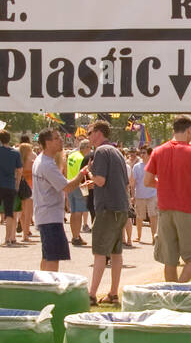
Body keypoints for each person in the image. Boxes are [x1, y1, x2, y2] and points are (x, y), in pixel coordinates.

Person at [144, 117, 191, 282]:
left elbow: (147, 181)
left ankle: (171, 294)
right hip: (189, 209)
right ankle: (179, 287)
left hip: (165, 209)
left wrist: (164, 184)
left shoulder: (158, 151)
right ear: (189, 130)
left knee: (170, 259)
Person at [85, 120, 130, 305]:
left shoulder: (101, 152)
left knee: (100, 252)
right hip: (121, 207)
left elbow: (101, 180)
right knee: (116, 253)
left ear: (97, 132)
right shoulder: (117, 151)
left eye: (89, 133)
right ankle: (113, 294)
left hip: (107, 209)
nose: (88, 137)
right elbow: (123, 182)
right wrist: (94, 181)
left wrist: (89, 173)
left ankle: (91, 295)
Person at [31, 128, 89, 271]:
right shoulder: (47, 164)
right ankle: (49, 287)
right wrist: (82, 173)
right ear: (47, 142)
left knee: (47, 256)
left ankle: (43, 284)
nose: (61, 140)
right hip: (50, 217)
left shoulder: (41, 160)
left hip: (45, 215)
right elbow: (67, 187)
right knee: (52, 257)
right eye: (57, 138)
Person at [0, 131, 23, 246]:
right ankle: (8, 238)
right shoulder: (15, 153)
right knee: (9, 212)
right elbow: (19, 170)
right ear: (9, 138)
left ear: (0, 139)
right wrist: (17, 183)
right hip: (10, 184)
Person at [130, 146, 158, 244]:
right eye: (140, 152)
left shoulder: (155, 165)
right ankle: (138, 236)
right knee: (139, 217)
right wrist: (132, 196)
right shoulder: (137, 166)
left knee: (153, 216)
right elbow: (133, 182)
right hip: (140, 195)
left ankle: (154, 237)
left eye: (144, 152)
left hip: (153, 195)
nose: (141, 154)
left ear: (150, 154)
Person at [66, 138, 91, 246]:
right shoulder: (82, 158)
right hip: (79, 186)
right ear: (86, 148)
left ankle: (75, 235)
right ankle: (76, 237)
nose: (90, 150)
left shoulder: (72, 155)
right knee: (79, 212)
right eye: (90, 148)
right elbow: (83, 175)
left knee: (73, 211)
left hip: (70, 184)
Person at [16, 141, 36, 243]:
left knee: (22, 213)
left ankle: (24, 231)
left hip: (19, 186)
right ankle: (26, 234)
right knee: (28, 213)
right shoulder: (32, 162)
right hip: (30, 187)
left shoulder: (17, 162)